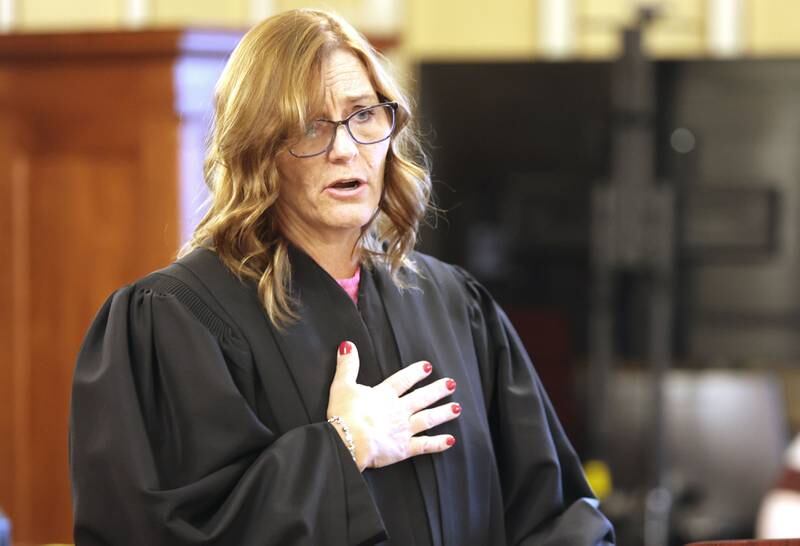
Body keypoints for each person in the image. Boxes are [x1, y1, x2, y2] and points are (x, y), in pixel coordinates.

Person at [69, 8, 614, 546]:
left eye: (364, 115)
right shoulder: (175, 321)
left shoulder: (454, 305)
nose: (347, 149)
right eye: (310, 125)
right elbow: (156, 533)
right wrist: (343, 447)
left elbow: (557, 514)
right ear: (257, 149)